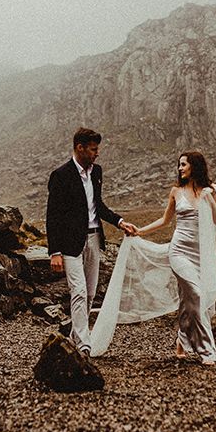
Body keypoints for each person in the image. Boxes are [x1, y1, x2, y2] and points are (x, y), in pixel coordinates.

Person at [90, 151, 216, 365]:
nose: (179, 169)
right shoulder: (176, 192)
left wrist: (208, 197)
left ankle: (182, 338)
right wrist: (139, 231)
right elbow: (165, 220)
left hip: (199, 253)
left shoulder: (211, 190)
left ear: (194, 166)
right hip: (179, 251)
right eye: (179, 165)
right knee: (196, 295)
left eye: (183, 165)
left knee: (188, 300)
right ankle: (207, 351)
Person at [46, 127, 138, 356]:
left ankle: (74, 338)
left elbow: (99, 206)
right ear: (80, 148)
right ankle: (85, 344)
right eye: (94, 149)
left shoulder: (96, 172)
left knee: (89, 293)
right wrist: (54, 251)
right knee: (77, 291)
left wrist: (120, 222)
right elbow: (53, 215)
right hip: (69, 244)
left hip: (94, 238)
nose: (97, 154)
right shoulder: (60, 175)